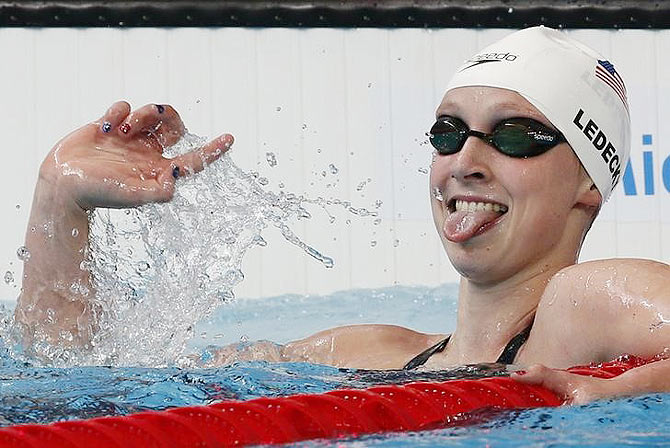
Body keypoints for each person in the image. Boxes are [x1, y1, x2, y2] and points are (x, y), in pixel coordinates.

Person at [15, 27, 670, 405]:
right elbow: (82, 380)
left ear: (588, 181)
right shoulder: (365, 351)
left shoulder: (578, 306)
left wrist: (614, 392)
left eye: (515, 136)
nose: (464, 160)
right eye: (447, 133)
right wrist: (60, 202)